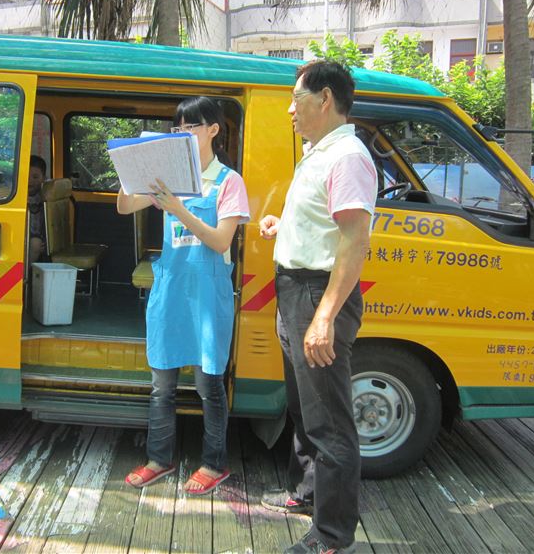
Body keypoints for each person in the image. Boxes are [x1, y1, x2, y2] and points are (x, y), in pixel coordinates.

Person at [259, 61, 376, 554]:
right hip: (296, 291)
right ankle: (308, 493)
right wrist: (282, 224)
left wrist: (324, 316)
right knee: (304, 409)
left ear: (325, 99)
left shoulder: (347, 157)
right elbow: (323, 223)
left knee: (329, 421)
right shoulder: (320, 153)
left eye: (296, 99)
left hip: (317, 295)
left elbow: (353, 239)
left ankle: (331, 535)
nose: (290, 110)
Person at [117, 97, 249, 495]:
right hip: (172, 290)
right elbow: (125, 207)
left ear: (213, 130)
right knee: (162, 386)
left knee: (210, 387)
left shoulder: (229, 181)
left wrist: (177, 208)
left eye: (192, 126)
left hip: (207, 295)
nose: (184, 133)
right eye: (179, 127)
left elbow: (220, 240)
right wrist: (134, 171)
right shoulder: (169, 177)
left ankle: (214, 464)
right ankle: (159, 459)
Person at [27, 155, 48, 264]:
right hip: (23, 237)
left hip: (40, 238)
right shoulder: (15, 195)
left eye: (35, 177)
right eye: (26, 175)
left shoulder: (46, 194)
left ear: (43, 178)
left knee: (36, 243)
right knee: (35, 244)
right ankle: (26, 271)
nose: (30, 181)